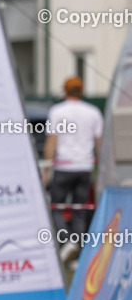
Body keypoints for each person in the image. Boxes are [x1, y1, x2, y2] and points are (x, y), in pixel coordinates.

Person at [42, 76, 103, 263]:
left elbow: (52, 141)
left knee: (57, 207)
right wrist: (100, 168)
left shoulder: (57, 111)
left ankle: (67, 241)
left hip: (64, 166)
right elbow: (99, 143)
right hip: (85, 166)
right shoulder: (93, 112)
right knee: (80, 209)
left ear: (65, 90)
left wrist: (46, 169)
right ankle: (76, 248)